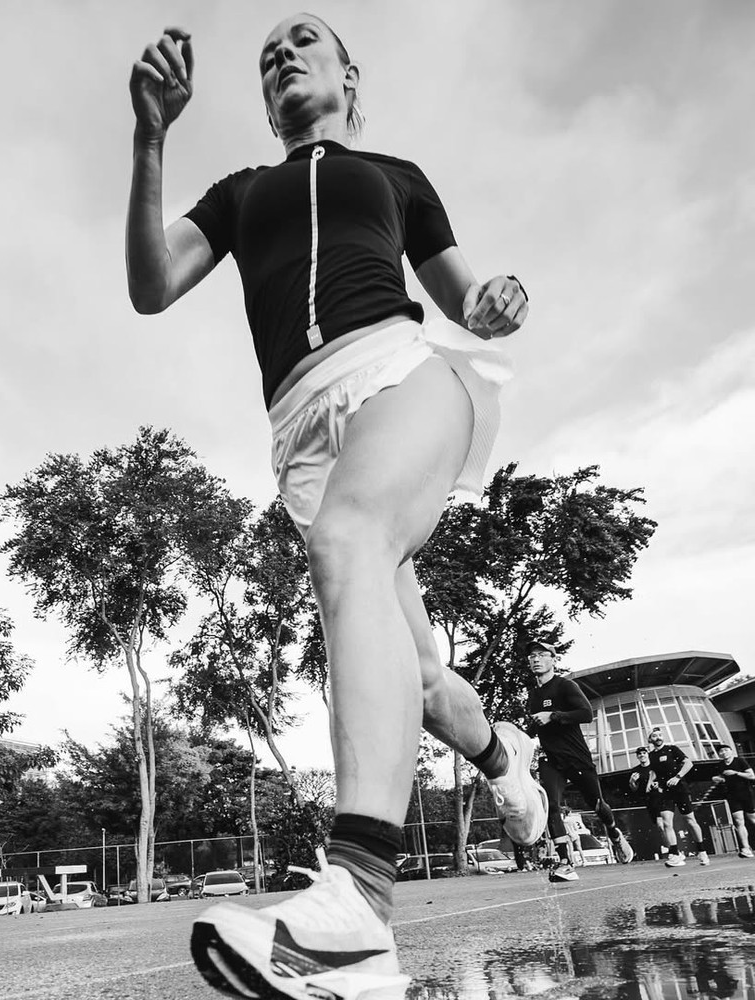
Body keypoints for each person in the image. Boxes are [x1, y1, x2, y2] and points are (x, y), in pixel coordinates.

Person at [126, 14, 547, 999]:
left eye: (303, 38)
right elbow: (151, 285)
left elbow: (460, 290)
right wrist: (150, 135)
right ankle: (505, 757)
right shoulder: (238, 195)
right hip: (303, 432)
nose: (281, 51)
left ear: (347, 78)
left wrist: (489, 302)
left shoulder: (393, 176)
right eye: (267, 48)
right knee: (421, 681)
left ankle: (355, 907)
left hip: (396, 371)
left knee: (353, 540)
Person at [525, 640, 634, 883]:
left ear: (553, 660)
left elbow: (586, 714)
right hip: (550, 759)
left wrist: (553, 716)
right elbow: (535, 726)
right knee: (550, 807)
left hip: (576, 758)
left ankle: (615, 833)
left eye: (542, 655)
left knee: (596, 804)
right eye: (532, 656)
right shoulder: (533, 694)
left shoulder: (565, 686)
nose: (535, 659)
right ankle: (565, 863)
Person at [645, 727, 711, 867]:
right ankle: (675, 854)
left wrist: (678, 777)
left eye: (660, 735)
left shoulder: (672, 749)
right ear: (650, 739)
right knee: (666, 822)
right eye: (654, 736)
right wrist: (650, 782)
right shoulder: (651, 755)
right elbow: (653, 771)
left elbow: (689, 763)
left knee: (690, 820)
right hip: (664, 792)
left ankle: (702, 851)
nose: (658, 737)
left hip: (680, 789)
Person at [709, 742, 755, 858]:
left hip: (746, 793)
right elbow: (720, 777)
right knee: (739, 821)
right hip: (732, 795)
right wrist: (717, 779)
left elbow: (752, 776)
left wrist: (736, 773)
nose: (723, 753)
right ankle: (745, 847)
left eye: (725, 750)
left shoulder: (740, 761)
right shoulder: (720, 765)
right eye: (721, 751)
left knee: (752, 818)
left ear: (731, 751)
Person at [629, 744, 669, 856]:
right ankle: (671, 848)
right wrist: (632, 782)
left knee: (664, 824)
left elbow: (665, 779)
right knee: (660, 826)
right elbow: (634, 789)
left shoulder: (656, 766)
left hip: (662, 797)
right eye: (639, 754)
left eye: (644, 753)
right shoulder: (635, 771)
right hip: (650, 801)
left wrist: (659, 784)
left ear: (648, 754)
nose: (642, 755)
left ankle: (673, 849)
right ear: (637, 756)